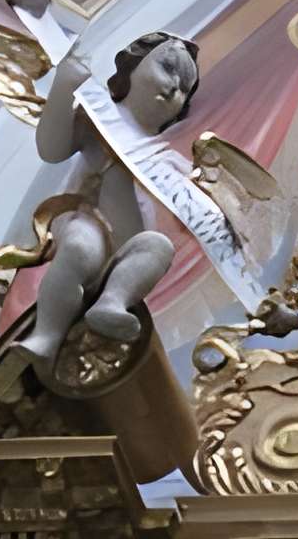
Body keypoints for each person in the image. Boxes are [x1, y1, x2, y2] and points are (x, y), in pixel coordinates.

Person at [18, 29, 200, 364]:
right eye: (167, 68)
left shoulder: (166, 157)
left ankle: (113, 302)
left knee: (159, 247)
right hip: (88, 220)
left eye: (184, 88)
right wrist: (63, 88)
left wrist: (205, 186)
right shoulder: (101, 117)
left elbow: (191, 217)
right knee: (79, 246)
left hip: (127, 242)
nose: (174, 86)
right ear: (133, 66)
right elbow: (52, 149)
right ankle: (47, 335)